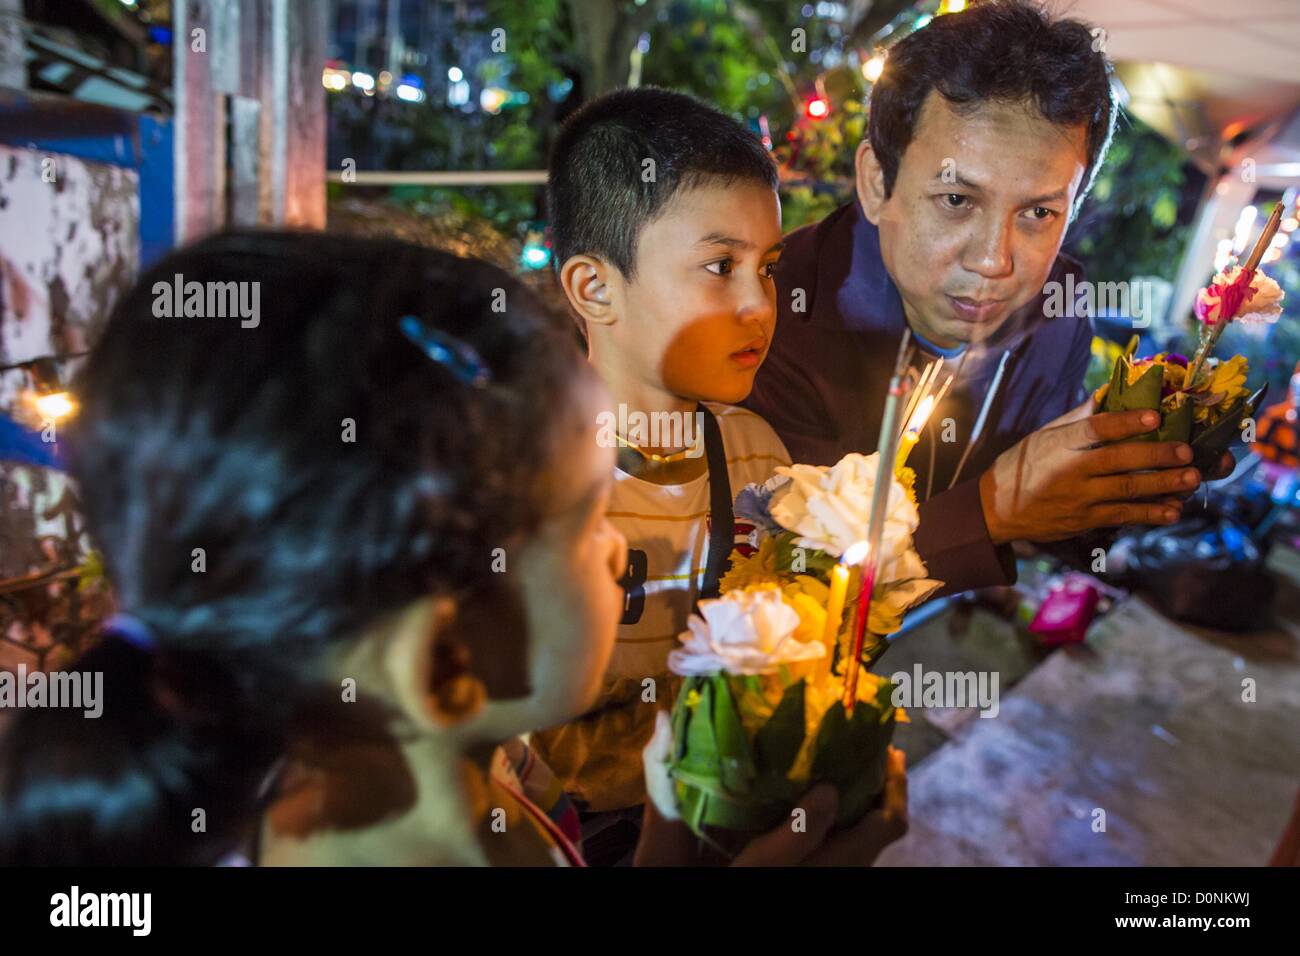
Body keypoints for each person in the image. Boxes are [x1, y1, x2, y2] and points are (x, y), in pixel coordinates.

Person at [0, 231, 905, 866]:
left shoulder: (495, 787)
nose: (620, 556)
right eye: (590, 520)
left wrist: (673, 847)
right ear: (444, 661)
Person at [745, 0, 1229, 595]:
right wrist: (990, 512)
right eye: (956, 200)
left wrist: (1127, 475)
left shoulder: (1058, 311)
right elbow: (786, 578)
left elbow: (1059, 524)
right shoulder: (773, 313)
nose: (995, 261)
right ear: (877, 183)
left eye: (1039, 213)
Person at [533, 87, 797, 862]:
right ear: (594, 288)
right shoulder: (524, 483)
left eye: (769, 268)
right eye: (720, 266)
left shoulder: (758, 456)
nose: (759, 304)